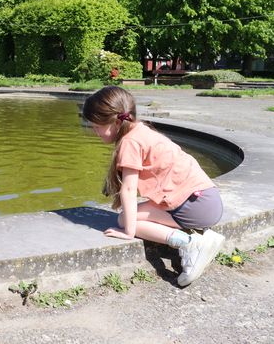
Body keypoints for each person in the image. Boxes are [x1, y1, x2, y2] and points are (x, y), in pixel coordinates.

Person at [82, 86, 225, 286]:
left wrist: (128, 232)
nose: (95, 132)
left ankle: (190, 244)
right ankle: (201, 237)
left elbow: (129, 189)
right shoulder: (141, 130)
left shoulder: (129, 143)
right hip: (206, 199)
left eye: (96, 126)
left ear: (115, 122)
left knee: (124, 220)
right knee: (128, 216)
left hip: (196, 208)